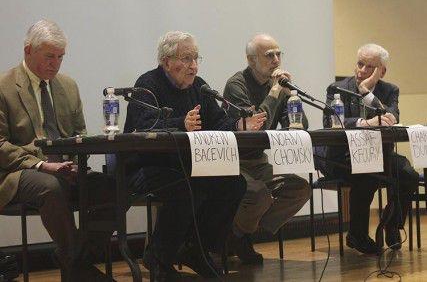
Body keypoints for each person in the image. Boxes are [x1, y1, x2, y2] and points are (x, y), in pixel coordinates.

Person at [124, 31, 266, 281]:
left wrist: (239, 125)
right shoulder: (146, 86)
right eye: (186, 59)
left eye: (195, 58)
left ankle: (196, 248)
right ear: (166, 61)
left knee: (234, 184)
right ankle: (159, 257)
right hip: (145, 167)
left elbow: (219, 123)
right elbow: (143, 125)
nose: (193, 66)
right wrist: (181, 123)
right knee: (186, 187)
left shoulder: (199, 86)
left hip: (188, 166)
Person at [0, 20, 114, 281]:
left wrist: (75, 163)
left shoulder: (68, 86)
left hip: (64, 169)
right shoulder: (4, 86)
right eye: (49, 56)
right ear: (28, 50)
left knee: (113, 185)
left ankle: (73, 257)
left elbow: (80, 136)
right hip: (19, 172)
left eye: (60, 57)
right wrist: (42, 165)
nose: (55, 63)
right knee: (51, 186)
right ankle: (78, 265)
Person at [222, 34, 311, 264]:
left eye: (279, 54)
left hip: (259, 163)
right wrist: (274, 93)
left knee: (299, 188)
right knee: (258, 194)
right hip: (235, 162)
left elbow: (300, 125)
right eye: (269, 55)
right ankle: (234, 237)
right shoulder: (236, 84)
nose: (276, 60)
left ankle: (238, 234)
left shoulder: (278, 88)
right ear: (251, 60)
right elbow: (254, 125)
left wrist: (290, 95)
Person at [321, 43, 418, 254]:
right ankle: (357, 235)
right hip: (343, 157)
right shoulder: (337, 89)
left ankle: (391, 224)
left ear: (381, 71)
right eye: (360, 64)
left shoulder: (389, 90)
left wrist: (366, 92)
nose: (362, 71)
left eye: (369, 67)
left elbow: (393, 117)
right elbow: (331, 121)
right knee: (368, 174)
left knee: (408, 173)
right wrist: (365, 123)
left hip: (380, 154)